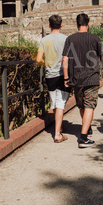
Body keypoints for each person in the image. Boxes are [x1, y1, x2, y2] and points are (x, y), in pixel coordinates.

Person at [62, 13, 103, 148]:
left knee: (82, 105)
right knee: (89, 104)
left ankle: (86, 127)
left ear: (76, 24)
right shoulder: (96, 38)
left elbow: (65, 59)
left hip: (76, 78)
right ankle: (83, 138)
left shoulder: (70, 39)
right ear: (88, 24)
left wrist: (66, 77)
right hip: (91, 77)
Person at [35, 14, 71, 143]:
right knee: (60, 103)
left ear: (49, 25)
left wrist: (47, 65)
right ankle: (57, 134)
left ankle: (59, 127)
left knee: (55, 103)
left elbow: (38, 59)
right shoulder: (67, 39)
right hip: (62, 74)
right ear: (61, 25)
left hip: (50, 74)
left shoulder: (44, 40)